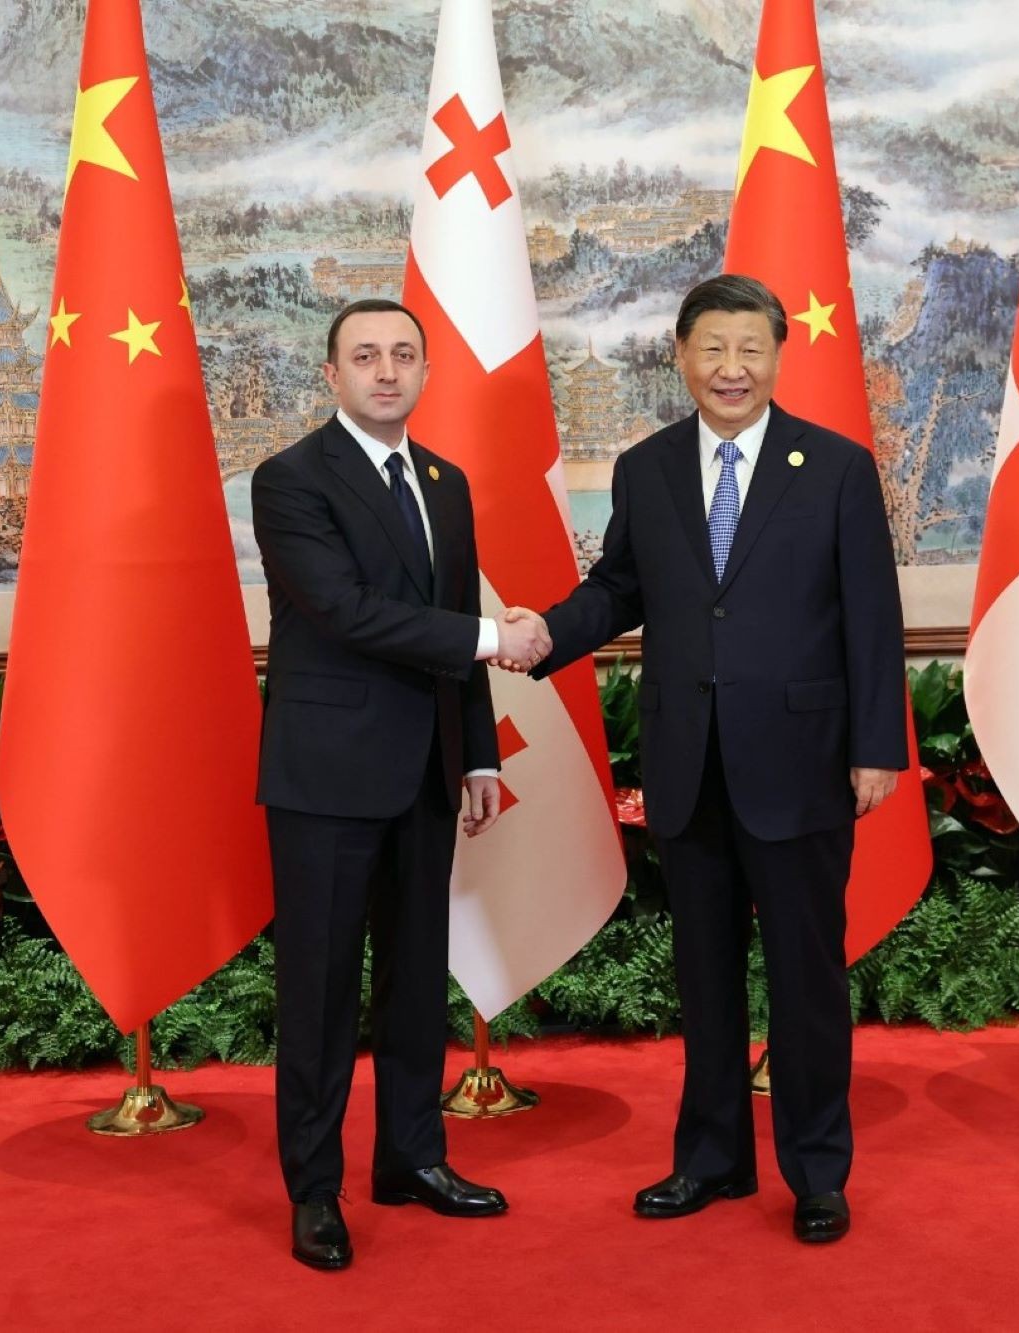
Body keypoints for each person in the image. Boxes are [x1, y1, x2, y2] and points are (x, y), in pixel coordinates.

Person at [502, 274, 906, 1245]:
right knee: (705, 975)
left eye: (749, 349)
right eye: (711, 348)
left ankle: (815, 1171)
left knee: (807, 979)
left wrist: (875, 747)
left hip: (803, 763)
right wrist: (542, 634)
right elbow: (618, 589)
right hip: (690, 764)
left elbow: (870, 618)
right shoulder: (645, 470)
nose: (731, 367)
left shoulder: (837, 469)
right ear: (680, 356)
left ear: (775, 356)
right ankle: (710, 1158)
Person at [251, 298, 552, 1271]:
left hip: (425, 773)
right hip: (325, 781)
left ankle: (412, 1159)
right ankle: (314, 1191)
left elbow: (450, 617)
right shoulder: (290, 479)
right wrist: (492, 640)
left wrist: (474, 751)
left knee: (417, 983)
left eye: (403, 356)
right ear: (331, 375)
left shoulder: (444, 482)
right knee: (323, 991)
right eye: (365, 356)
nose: (386, 371)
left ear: (424, 373)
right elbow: (343, 612)